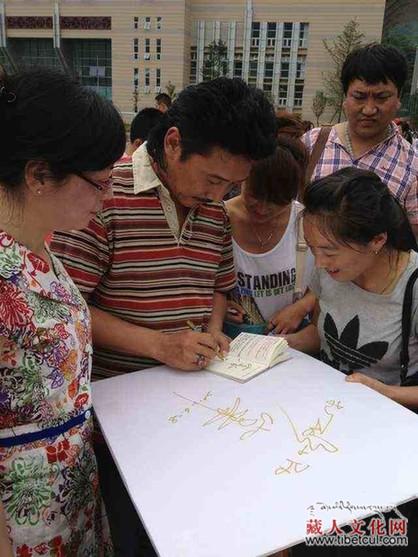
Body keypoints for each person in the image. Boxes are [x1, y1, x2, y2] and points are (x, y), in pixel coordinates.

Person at [51, 77, 277, 555]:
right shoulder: (101, 194)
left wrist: (214, 331)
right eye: (214, 180)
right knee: (137, 532)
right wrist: (158, 345)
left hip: (198, 401)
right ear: (173, 143)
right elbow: (66, 309)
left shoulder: (212, 208)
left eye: (231, 185)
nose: (220, 196)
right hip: (121, 412)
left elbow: (218, 285)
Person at [0, 68, 126, 554]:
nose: (108, 197)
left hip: (69, 496)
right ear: (39, 175)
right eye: (99, 183)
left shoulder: (41, 248)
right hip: (22, 522)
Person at [287, 167, 418, 409]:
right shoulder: (330, 270)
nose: (319, 263)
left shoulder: (413, 287)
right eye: (313, 249)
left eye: (329, 251)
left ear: (377, 240)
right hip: (327, 406)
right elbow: (324, 335)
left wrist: (386, 392)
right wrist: (280, 345)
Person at [302, 43, 418, 236]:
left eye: (381, 97)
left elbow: (411, 242)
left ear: (399, 98)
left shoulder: (412, 165)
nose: (369, 109)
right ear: (345, 97)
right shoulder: (312, 144)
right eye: (359, 97)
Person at [224, 134, 315, 337]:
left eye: (277, 202)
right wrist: (220, 307)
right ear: (242, 180)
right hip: (233, 345)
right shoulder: (219, 218)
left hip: (290, 342)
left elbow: (329, 282)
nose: (263, 209)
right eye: (254, 197)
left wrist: (301, 308)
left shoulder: (305, 221)